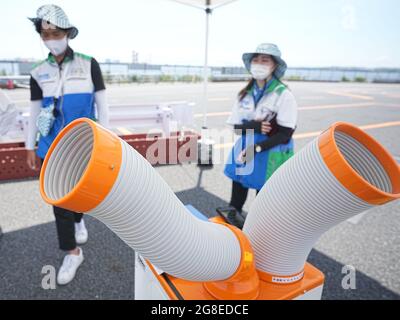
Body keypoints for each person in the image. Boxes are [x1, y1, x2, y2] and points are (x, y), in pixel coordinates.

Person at [25, 4, 109, 285]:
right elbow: (35, 111)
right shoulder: (37, 71)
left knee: (80, 192)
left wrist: (106, 140)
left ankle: (78, 219)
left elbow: (103, 106)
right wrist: (29, 145)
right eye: (45, 32)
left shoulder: (88, 63)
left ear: (67, 33)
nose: (50, 36)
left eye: (55, 31)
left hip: (83, 143)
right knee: (58, 199)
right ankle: (72, 252)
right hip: (50, 146)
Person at [218, 43, 298, 228]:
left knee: (263, 199)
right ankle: (232, 224)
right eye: (256, 60)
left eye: (265, 60)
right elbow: (236, 128)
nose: (259, 63)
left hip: (270, 151)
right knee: (239, 185)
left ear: (274, 65)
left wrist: (257, 148)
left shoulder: (283, 95)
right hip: (246, 146)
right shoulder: (244, 94)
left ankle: (259, 234)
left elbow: (285, 134)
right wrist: (254, 126)